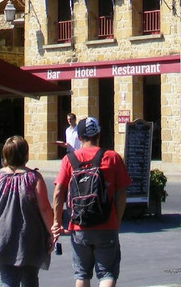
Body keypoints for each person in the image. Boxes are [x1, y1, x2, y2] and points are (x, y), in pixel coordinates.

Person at [52, 117, 130, 287]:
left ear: (79, 137)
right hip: (106, 223)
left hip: (79, 225)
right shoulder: (112, 157)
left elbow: (58, 192)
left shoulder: (69, 159)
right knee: (107, 273)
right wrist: (117, 221)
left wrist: (57, 221)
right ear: (98, 135)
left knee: (81, 274)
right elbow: (121, 193)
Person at [0, 135, 55, 287]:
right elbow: (45, 208)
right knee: (30, 278)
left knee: (8, 279)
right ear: (25, 154)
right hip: (29, 235)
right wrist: (52, 232)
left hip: (1, 236)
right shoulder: (34, 177)